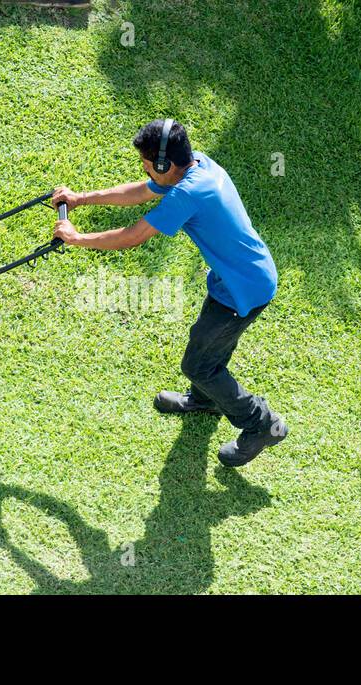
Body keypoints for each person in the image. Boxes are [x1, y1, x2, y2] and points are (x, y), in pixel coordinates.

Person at [52, 119, 287, 467]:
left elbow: (134, 235)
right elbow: (141, 192)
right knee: (207, 345)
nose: (146, 171)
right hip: (233, 279)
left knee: (198, 364)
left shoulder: (188, 194)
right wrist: (80, 200)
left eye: (148, 165)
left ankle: (262, 424)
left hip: (243, 289)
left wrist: (77, 238)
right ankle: (206, 400)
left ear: (165, 165)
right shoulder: (199, 165)